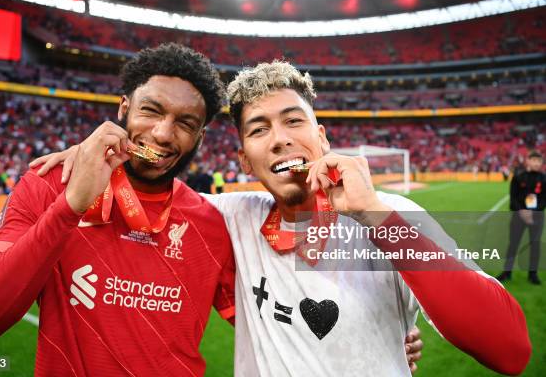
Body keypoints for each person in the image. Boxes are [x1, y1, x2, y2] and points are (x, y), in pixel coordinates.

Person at [35, 62, 531, 375]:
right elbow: (139, 186)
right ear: (245, 162)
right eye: (259, 129)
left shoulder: (398, 220)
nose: (280, 138)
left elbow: (510, 351)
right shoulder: (226, 220)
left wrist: (377, 217)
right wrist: (99, 150)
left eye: (294, 120)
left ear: (324, 137)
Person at [0, 44, 237, 376]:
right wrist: (69, 207)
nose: (162, 133)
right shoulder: (49, 186)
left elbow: (287, 316)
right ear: (124, 108)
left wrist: (316, 202)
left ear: (200, 138)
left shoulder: (214, 222)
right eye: (150, 110)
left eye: (185, 123)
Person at [497, 150, 545, 285]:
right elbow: (513, 198)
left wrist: (533, 212)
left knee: (535, 245)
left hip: (537, 218)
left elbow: (543, 200)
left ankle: (533, 274)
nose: (536, 163)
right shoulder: (518, 176)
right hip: (518, 216)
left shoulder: (544, 178)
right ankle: (507, 272)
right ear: (528, 161)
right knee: (513, 244)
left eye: (539, 161)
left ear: (541, 163)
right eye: (534, 160)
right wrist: (522, 211)